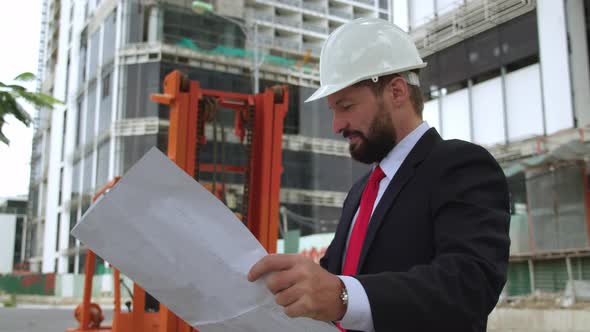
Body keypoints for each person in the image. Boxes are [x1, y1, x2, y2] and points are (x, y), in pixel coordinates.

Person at [247, 17, 510, 332]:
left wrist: (342, 297)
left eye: (346, 106)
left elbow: (470, 284)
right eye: (333, 110)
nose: (336, 126)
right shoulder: (360, 193)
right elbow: (332, 279)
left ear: (396, 92)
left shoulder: (460, 165)